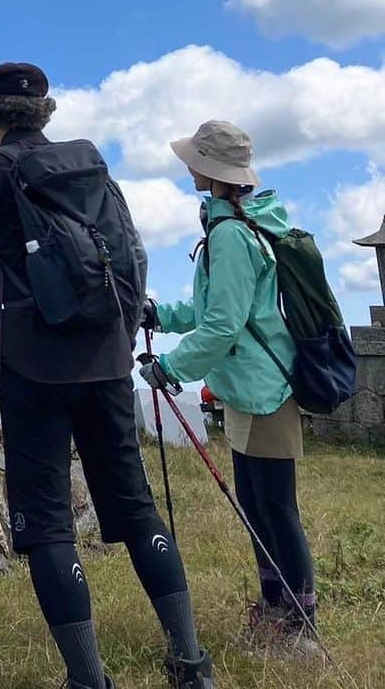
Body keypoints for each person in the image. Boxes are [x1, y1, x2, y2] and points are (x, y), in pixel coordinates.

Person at [0, 63, 213, 689]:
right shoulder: (89, 166)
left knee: (48, 522)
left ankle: (88, 680)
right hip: (106, 360)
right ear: (44, 113)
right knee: (135, 510)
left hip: (32, 367)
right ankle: (190, 662)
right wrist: (123, 333)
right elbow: (132, 253)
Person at [139, 120, 318, 655]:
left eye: (195, 159)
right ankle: (275, 613)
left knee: (275, 508)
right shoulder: (230, 226)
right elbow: (208, 309)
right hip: (248, 389)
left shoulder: (232, 235)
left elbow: (224, 325)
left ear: (211, 171)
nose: (188, 166)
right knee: (258, 505)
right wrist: (159, 314)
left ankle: (300, 625)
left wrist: (170, 368)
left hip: (263, 391)